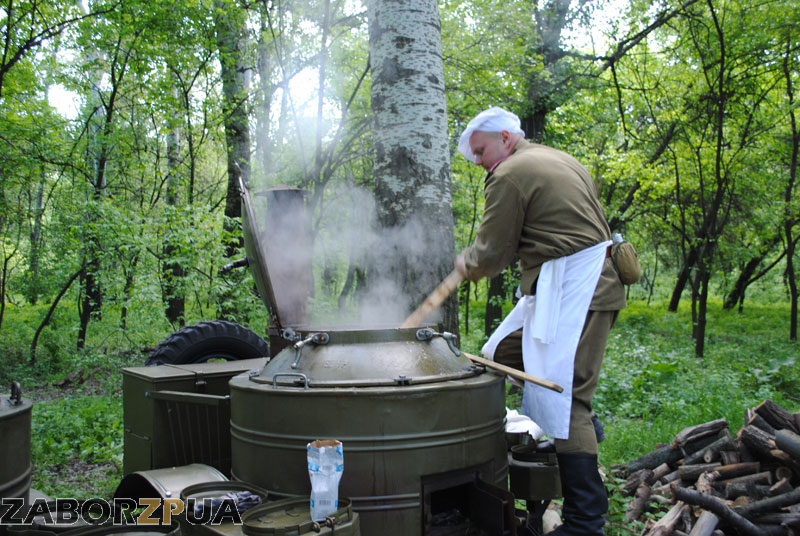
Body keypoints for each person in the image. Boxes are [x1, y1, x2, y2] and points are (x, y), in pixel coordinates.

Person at [454, 107, 626, 536]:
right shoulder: (558, 158)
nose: (478, 161)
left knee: (566, 402)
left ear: (507, 138)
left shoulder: (510, 172)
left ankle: (585, 522)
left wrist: (464, 265)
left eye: (481, 150)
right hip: (562, 288)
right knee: (501, 354)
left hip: (579, 291)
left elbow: (492, 254)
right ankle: (579, 434)